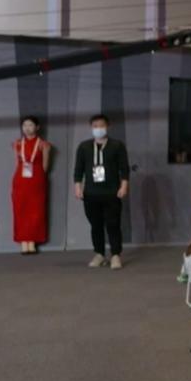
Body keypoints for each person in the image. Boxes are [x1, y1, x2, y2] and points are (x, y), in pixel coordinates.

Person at [73, 114, 130, 270]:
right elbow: (78, 169)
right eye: (95, 126)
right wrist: (78, 187)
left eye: (101, 126)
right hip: (91, 193)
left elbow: (124, 168)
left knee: (113, 224)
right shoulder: (84, 147)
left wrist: (124, 186)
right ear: (91, 128)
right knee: (95, 225)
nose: (98, 129)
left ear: (108, 126)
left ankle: (116, 255)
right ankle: (99, 253)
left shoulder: (117, 145)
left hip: (112, 192)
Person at [11, 116, 52, 254]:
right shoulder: (17, 143)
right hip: (20, 181)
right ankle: (23, 241)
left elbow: (45, 166)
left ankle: (32, 242)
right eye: (24, 125)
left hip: (37, 180)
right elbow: (17, 163)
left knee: (36, 211)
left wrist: (38, 176)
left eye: (30, 125)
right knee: (20, 210)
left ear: (37, 127)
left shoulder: (44, 144)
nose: (27, 128)